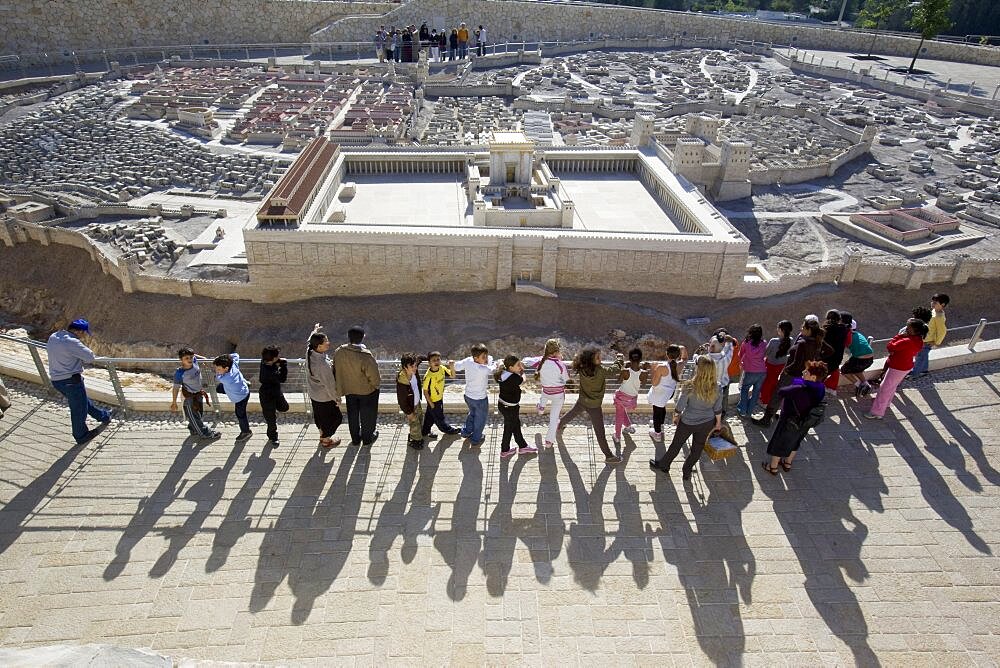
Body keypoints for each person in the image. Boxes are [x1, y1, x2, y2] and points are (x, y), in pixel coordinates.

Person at [649, 356, 723, 481]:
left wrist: (676, 415)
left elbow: (680, 406)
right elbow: (718, 408)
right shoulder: (718, 387)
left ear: (698, 369)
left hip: (688, 421)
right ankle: (687, 470)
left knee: (676, 445)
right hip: (707, 423)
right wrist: (718, 424)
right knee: (697, 449)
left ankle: (664, 465)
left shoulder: (690, 385)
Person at [753, 316, 833, 427]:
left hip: (791, 374)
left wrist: (785, 371)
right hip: (803, 375)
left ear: (808, 330)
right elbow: (830, 351)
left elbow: (796, 363)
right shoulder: (816, 340)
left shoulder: (803, 342)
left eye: (803, 327)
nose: (801, 328)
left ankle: (766, 420)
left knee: (777, 395)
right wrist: (814, 361)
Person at [47, 319, 112, 446]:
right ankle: (81, 435)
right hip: (70, 381)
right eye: (84, 333)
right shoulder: (72, 342)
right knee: (78, 410)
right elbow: (90, 357)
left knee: (83, 402)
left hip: (56, 380)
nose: (84, 336)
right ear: (79, 331)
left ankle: (103, 416)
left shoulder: (54, 336)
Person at [557, 348, 624, 464]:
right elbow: (614, 370)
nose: (600, 359)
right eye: (598, 357)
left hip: (583, 400)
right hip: (594, 405)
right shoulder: (601, 370)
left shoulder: (582, 368)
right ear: (591, 360)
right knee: (600, 432)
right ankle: (608, 456)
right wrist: (619, 359)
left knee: (572, 414)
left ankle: (559, 425)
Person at [762, 360, 828, 475]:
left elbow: (782, 392)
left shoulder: (799, 387)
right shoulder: (821, 387)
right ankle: (787, 463)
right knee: (796, 441)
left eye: (806, 372)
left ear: (813, 377)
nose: (803, 372)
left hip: (790, 420)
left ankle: (773, 467)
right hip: (805, 421)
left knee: (780, 442)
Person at [865, 318, 928, 420]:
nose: (906, 329)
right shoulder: (919, 340)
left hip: (897, 367)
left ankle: (877, 412)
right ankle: (886, 403)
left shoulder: (907, 341)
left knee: (884, 388)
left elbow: (890, 346)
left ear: (914, 331)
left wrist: (899, 336)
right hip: (906, 366)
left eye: (908, 328)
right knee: (892, 386)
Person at [333, 325, 381, 446]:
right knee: (367, 415)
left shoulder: (339, 352)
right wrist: (375, 386)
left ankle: (355, 439)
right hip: (366, 392)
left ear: (348, 337)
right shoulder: (365, 356)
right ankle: (367, 438)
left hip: (349, 390)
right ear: (363, 337)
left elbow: (335, 369)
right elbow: (374, 376)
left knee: (353, 415)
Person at [524, 338, 569, 449]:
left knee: (544, 393)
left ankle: (541, 407)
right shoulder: (560, 364)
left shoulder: (541, 361)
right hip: (558, 395)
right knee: (554, 419)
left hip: (546, 392)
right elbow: (566, 380)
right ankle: (549, 441)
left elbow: (526, 361)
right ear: (557, 352)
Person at [170, 346, 220, 441]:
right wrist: (174, 402)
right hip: (189, 398)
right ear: (181, 360)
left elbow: (196, 356)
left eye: (191, 357)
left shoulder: (195, 361)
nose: (190, 359)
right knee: (194, 416)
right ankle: (205, 434)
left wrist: (203, 359)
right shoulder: (180, 373)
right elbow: (176, 388)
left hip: (198, 394)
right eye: (186, 358)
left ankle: (193, 429)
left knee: (198, 414)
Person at [306, 325, 343, 448]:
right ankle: (326, 440)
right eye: (325, 342)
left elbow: (309, 341)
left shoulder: (309, 352)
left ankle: (322, 434)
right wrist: (337, 399)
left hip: (314, 394)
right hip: (325, 397)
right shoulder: (322, 365)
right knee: (336, 418)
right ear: (319, 346)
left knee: (320, 416)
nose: (328, 343)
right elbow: (330, 385)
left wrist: (315, 331)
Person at [495, 354, 537, 458]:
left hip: (503, 404)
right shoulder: (513, 377)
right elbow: (523, 379)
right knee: (509, 428)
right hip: (510, 407)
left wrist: (518, 367)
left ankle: (523, 446)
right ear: (510, 367)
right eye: (517, 365)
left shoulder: (502, 373)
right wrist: (522, 371)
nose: (519, 366)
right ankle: (504, 450)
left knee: (515, 425)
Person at [454, 343, 494, 447]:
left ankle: (466, 431)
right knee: (480, 419)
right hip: (480, 399)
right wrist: (498, 364)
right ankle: (476, 438)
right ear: (476, 358)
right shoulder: (483, 370)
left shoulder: (469, 360)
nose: (485, 359)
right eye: (483, 357)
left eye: (486, 355)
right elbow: (493, 369)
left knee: (472, 413)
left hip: (468, 396)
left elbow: (456, 367)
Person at [647, 344, 686, 441]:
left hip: (659, 394)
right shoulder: (680, 365)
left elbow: (654, 383)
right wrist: (683, 348)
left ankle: (657, 434)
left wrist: (653, 369)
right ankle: (660, 424)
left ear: (666, 354)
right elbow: (685, 357)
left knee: (656, 413)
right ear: (678, 355)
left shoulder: (661, 367)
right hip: (669, 393)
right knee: (662, 407)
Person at [213, 352, 252, 441]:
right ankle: (245, 383)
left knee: (240, 414)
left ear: (226, 368)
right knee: (219, 388)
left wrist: (218, 358)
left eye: (218, 369)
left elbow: (217, 377)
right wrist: (220, 358)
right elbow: (236, 355)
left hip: (240, 398)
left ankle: (246, 432)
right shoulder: (233, 364)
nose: (217, 370)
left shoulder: (225, 378)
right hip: (242, 389)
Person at [422, 351, 461, 437]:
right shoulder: (428, 376)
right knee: (440, 419)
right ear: (429, 363)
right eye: (434, 360)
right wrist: (431, 404)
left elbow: (453, 376)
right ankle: (450, 430)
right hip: (433, 401)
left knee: (429, 417)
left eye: (438, 359)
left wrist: (451, 367)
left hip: (439, 398)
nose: (436, 362)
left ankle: (424, 432)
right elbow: (425, 392)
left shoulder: (442, 368)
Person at [911, 293, 949, 378]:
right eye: (932, 301)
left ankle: (915, 373)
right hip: (925, 338)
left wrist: (936, 342)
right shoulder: (934, 312)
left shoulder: (938, 317)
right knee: (923, 356)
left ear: (942, 304)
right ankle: (923, 370)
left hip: (928, 340)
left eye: (935, 302)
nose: (932, 303)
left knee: (920, 357)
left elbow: (942, 331)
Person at [612, 348, 644, 445]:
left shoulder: (625, 371)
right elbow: (641, 384)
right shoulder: (643, 373)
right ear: (641, 359)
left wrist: (623, 367)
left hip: (621, 398)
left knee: (619, 416)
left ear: (629, 359)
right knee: (622, 411)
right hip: (632, 399)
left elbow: (618, 381)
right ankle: (628, 426)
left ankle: (617, 436)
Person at [259, 345, 288, 447]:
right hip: (267, 396)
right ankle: (273, 437)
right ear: (274, 358)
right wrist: (284, 365)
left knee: (284, 407)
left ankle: (273, 410)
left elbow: (272, 362)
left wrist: (278, 362)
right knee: (271, 420)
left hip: (275, 393)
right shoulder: (271, 372)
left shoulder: (264, 362)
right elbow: (283, 379)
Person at [840, 313, 875, 398]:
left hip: (860, 359)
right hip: (870, 358)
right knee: (858, 370)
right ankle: (866, 383)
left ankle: (860, 385)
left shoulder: (846, 336)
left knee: (844, 370)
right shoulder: (859, 334)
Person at [736, 324, 767, 417]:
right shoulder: (764, 343)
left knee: (744, 390)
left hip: (750, 371)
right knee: (756, 393)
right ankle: (749, 412)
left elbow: (740, 355)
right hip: (762, 372)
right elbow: (765, 355)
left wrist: (742, 363)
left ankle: (743, 411)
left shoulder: (746, 343)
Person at [396, 353, 426, 450]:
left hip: (417, 403)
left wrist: (429, 358)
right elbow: (402, 400)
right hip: (410, 407)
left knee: (420, 420)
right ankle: (416, 441)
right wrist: (408, 412)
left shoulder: (413, 371)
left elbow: (419, 358)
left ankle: (415, 436)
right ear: (405, 367)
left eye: (415, 366)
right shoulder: (402, 382)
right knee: (414, 423)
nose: (415, 368)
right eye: (412, 366)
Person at [760, 320, 793, 407]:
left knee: (767, 383)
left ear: (781, 330)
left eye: (778, 328)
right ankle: (771, 398)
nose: (777, 329)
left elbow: (766, 353)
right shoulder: (791, 340)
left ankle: (765, 402)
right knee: (774, 382)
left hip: (770, 365)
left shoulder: (774, 341)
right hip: (781, 365)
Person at [821, 309, 848, 391]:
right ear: (839, 319)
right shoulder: (843, 329)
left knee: (818, 378)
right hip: (837, 360)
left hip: (825, 359)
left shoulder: (825, 330)